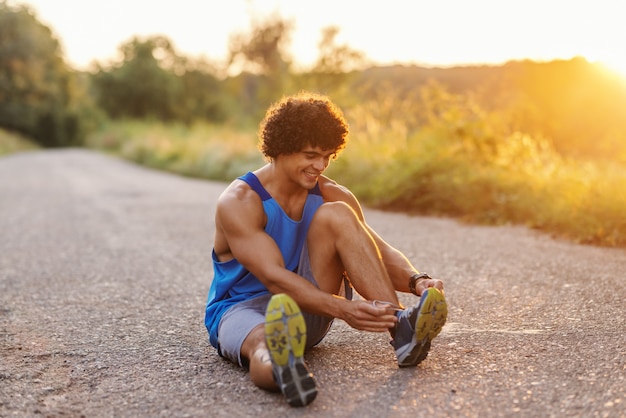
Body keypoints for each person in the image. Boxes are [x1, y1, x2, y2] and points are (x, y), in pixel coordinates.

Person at [204, 91, 447, 407]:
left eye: (328, 155)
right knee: (267, 345)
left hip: (312, 309)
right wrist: (344, 309)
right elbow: (274, 278)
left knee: (339, 215)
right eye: (310, 155)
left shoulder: (333, 194)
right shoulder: (240, 202)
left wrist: (417, 280)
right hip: (243, 309)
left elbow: (376, 250)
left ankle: (399, 327)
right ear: (280, 149)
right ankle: (285, 370)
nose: (320, 165)